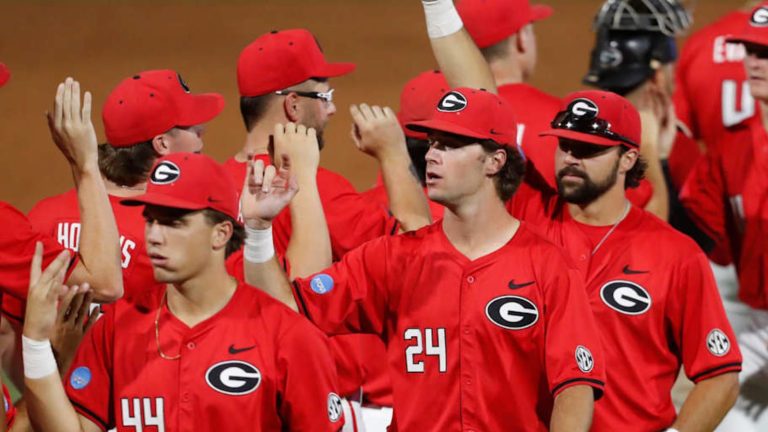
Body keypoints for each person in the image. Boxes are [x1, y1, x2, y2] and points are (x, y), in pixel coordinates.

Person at [22, 151, 343, 431]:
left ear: (220, 234)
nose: (155, 236)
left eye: (174, 223)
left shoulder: (288, 337)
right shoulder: (117, 329)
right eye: (151, 220)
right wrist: (36, 344)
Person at [508, 89, 742, 431]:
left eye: (589, 149)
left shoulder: (676, 255)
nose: (571, 158)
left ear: (628, 159)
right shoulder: (528, 216)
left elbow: (721, 377)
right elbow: (478, 98)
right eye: (565, 145)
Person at [27, 69, 224, 304]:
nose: (203, 131)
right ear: (162, 144)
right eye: (191, 127)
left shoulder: (42, 215)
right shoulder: (171, 230)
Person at [682, 3, 768, 429]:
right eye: (750, 51)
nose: (754, 63)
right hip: (752, 324)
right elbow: (706, 227)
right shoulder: (730, 147)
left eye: (766, 54)